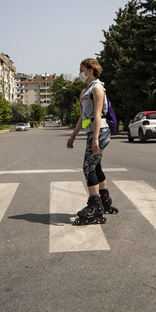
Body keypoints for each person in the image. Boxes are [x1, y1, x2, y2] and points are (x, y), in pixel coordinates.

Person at [66, 58, 117, 225]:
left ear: (90, 70)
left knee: (88, 167)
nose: (80, 73)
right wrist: (73, 135)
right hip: (94, 132)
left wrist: (95, 139)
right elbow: (83, 116)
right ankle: (104, 201)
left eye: (82, 70)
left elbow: (96, 115)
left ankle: (95, 207)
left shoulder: (97, 88)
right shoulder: (86, 89)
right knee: (96, 166)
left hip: (100, 132)